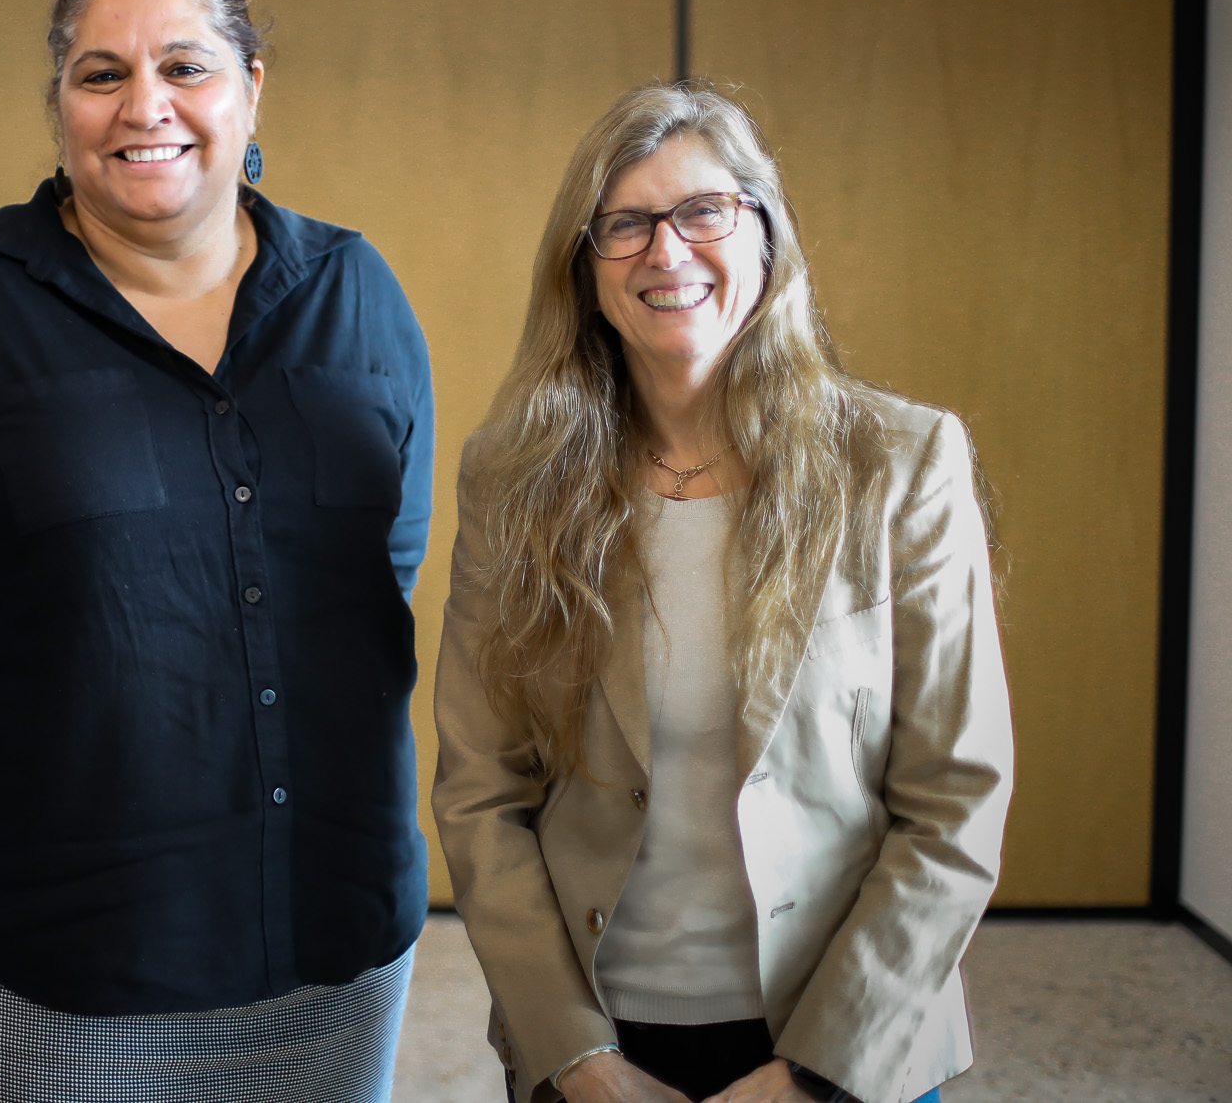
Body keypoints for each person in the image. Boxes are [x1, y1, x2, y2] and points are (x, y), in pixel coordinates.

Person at [0, 0, 434, 1102]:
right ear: (59, 104)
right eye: (100, 74)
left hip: (333, 930)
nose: (145, 108)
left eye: (184, 67)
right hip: (49, 955)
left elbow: (382, 556)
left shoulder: (354, 292)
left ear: (250, 87)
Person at [431, 81, 1013, 1103]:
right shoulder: (511, 476)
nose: (665, 252)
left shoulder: (899, 462)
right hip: (599, 1036)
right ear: (584, 266)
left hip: (840, 1038)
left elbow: (953, 799)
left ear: (763, 235)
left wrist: (812, 1076)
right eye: (624, 224)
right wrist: (579, 1060)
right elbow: (483, 791)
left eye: (702, 211)